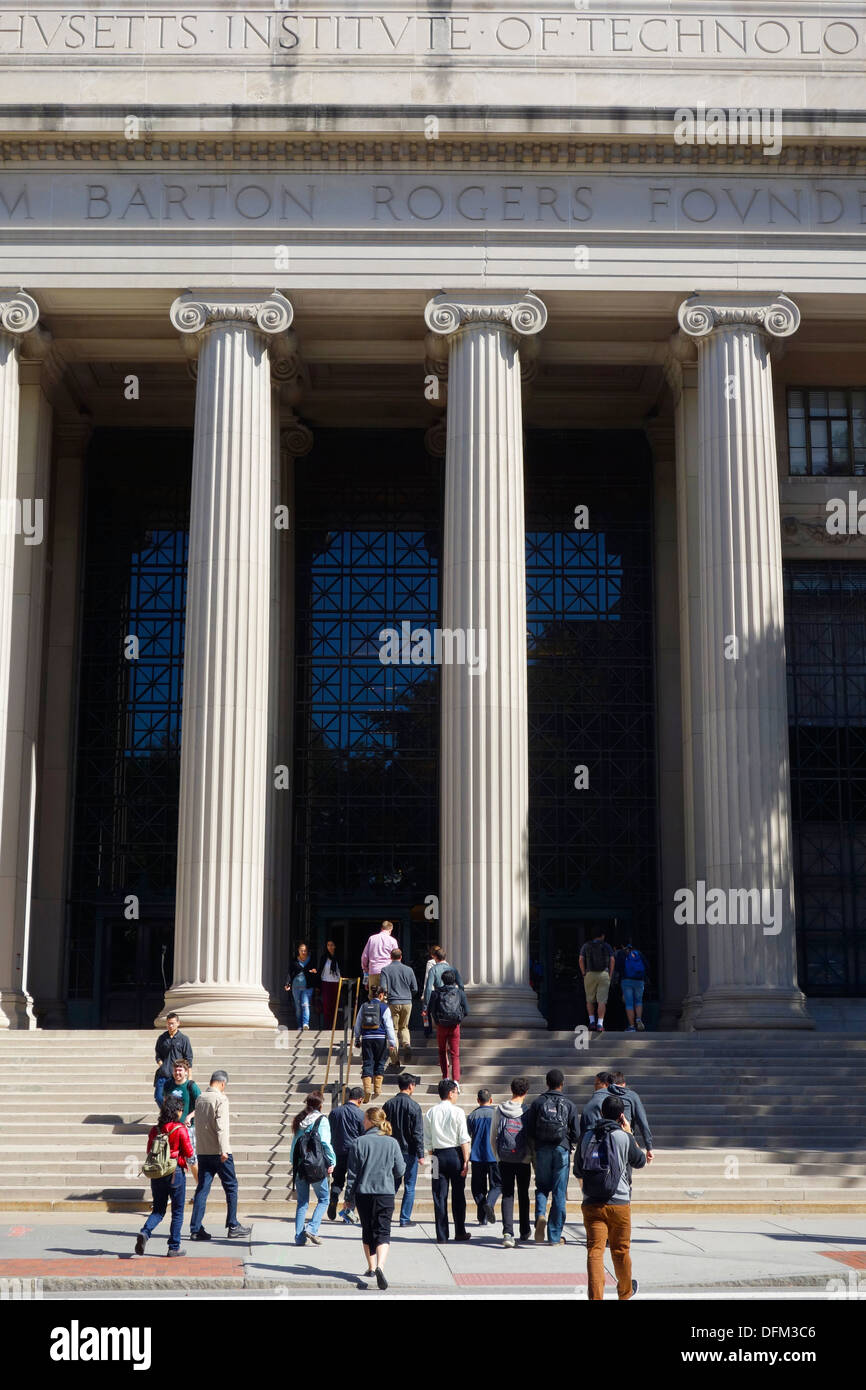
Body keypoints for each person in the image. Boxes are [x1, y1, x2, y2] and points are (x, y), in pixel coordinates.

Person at [576, 1094, 646, 1300]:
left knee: (594, 1251)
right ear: (621, 1116)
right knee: (620, 1250)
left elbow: (578, 1170)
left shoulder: (587, 1136)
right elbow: (640, 1161)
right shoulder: (623, 1136)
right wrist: (630, 1133)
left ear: (601, 1113)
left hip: (592, 1203)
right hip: (619, 1203)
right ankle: (625, 1293)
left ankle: (596, 1297)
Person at [345, 1106, 406, 1290]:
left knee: (367, 1229)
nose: (362, 1122)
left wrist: (349, 1197)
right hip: (385, 1192)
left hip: (364, 1193)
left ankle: (371, 1267)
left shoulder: (358, 1142)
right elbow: (400, 1170)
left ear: (371, 1121)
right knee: (383, 1230)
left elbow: (352, 1175)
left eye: (364, 1119)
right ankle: (380, 1266)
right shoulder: (392, 1142)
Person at [189, 1069, 251, 1241]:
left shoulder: (200, 1098)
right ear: (222, 1083)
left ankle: (195, 1228)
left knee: (202, 1188)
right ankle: (233, 1224)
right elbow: (221, 1126)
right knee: (231, 1186)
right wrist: (224, 1149)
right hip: (219, 1151)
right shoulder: (221, 1099)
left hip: (203, 1151)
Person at [525, 1067, 579, 1246]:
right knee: (559, 1192)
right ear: (562, 1084)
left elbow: (530, 1129)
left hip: (542, 1150)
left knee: (541, 1186)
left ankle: (540, 1215)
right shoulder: (569, 1104)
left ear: (547, 1083)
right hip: (561, 1149)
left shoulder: (538, 1103)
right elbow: (577, 1133)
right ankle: (554, 1236)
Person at [136, 1094, 193, 1257]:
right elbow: (189, 1152)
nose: (182, 1113)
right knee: (177, 1211)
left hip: (157, 1173)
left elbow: (149, 1151)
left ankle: (145, 1232)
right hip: (175, 1173)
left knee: (158, 1210)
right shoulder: (180, 1128)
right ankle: (173, 1247)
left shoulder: (155, 1129)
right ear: (177, 1111)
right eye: (181, 1110)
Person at [423, 1078, 471, 1244]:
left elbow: (427, 1141)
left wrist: (431, 1158)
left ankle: (442, 1235)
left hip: (436, 1155)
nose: (457, 1096)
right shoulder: (457, 1112)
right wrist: (466, 1161)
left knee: (439, 1196)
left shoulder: (430, 1112)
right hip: (455, 1154)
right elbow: (464, 1138)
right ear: (450, 1093)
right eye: (456, 1093)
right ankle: (460, 1231)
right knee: (458, 1195)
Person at [290, 1092, 336, 1246]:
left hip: (300, 1165)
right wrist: (332, 1161)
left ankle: (299, 1237)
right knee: (324, 1199)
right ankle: (312, 1228)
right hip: (316, 1166)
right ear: (320, 1106)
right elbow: (325, 1143)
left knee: (302, 1202)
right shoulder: (322, 1120)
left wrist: (294, 1162)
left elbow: (294, 1145)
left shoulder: (299, 1120)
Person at [493, 1077, 532, 1248]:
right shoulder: (528, 1111)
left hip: (505, 1158)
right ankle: (524, 1230)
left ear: (511, 1090)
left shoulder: (499, 1109)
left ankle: (508, 1233)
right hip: (523, 1159)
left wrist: (498, 1156)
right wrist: (529, 1157)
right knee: (524, 1194)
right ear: (526, 1092)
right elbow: (531, 1138)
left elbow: (492, 1136)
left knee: (507, 1194)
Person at [382, 1072, 425, 1228]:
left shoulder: (388, 1104)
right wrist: (421, 1154)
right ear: (411, 1086)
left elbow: (383, 1127)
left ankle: (385, 1214)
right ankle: (404, 1218)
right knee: (409, 1185)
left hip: (392, 1150)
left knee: (391, 1184)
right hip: (409, 1151)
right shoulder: (414, 1106)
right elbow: (417, 1132)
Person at [581, 1071, 655, 1160]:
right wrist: (649, 1147)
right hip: (625, 1139)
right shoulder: (632, 1096)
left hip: (604, 1139)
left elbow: (586, 1113)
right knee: (626, 1169)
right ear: (624, 1084)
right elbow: (642, 1122)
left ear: (608, 1083)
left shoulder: (599, 1094)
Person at [327, 1086, 366, 1223]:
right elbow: (364, 1135)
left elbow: (329, 1131)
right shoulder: (361, 1115)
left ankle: (333, 1198)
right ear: (360, 1099)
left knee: (337, 1180)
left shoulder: (335, 1112)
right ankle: (348, 1211)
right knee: (352, 1182)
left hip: (337, 1151)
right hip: (354, 1152)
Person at [352, 984, 397, 1102]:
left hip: (367, 1038)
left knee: (367, 1062)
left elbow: (357, 1024)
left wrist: (357, 1038)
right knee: (380, 1062)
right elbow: (389, 1026)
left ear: (370, 995)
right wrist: (392, 1042)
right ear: (381, 995)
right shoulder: (384, 1007)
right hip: (380, 1038)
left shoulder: (364, 1006)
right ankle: (377, 1089)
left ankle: (367, 1088)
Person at [428, 969, 468, 1088]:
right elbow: (467, 1010)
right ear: (454, 980)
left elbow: (432, 1010)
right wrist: (458, 1019)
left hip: (441, 1026)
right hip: (455, 1026)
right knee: (455, 1054)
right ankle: (456, 1081)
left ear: (443, 980)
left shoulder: (436, 993)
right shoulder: (459, 993)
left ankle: (445, 1077)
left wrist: (437, 1021)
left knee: (442, 1051)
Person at [379, 947, 418, 1068]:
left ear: (390, 957)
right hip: (407, 1002)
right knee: (404, 1027)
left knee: (393, 1030)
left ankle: (395, 1060)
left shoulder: (385, 970)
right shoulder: (409, 970)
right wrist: (409, 996)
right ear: (401, 957)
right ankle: (406, 1044)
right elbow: (415, 988)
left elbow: (383, 988)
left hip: (393, 1002)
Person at [467, 1088, 501, 1226]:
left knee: (477, 1188)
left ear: (478, 1100)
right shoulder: (497, 1114)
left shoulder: (472, 1116)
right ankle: (489, 1203)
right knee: (498, 1185)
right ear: (491, 1100)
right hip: (494, 1156)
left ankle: (482, 1216)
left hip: (477, 1156)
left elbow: (468, 1134)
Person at [164, 1057, 201, 1178]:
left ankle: (199, 1191)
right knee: (170, 1158)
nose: (177, 1073)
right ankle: (170, 1191)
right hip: (171, 1128)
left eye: (180, 1070)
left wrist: (190, 1116)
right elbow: (165, 1104)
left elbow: (201, 1105)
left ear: (186, 1072)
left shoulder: (191, 1086)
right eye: (175, 1070)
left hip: (187, 1128)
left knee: (192, 1159)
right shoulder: (168, 1084)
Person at [579, 930, 615, 1034]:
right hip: (604, 974)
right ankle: (600, 1024)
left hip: (590, 974)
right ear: (602, 936)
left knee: (589, 999)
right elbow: (612, 960)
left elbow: (581, 959)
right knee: (602, 1000)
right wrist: (610, 974)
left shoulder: (586, 946)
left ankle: (592, 1022)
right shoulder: (607, 946)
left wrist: (583, 973)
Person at [153, 1012, 193, 1105]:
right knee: (159, 1097)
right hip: (163, 1074)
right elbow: (158, 1054)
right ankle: (166, 1114)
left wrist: (189, 1076)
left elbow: (188, 1058)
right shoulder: (162, 1038)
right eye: (168, 1023)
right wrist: (161, 1064)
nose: (170, 1026)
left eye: (172, 1023)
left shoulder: (183, 1039)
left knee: (175, 1099)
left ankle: (171, 1117)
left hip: (177, 1075)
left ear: (178, 1023)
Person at [284, 942, 317, 1032]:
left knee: (305, 1005)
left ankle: (305, 1024)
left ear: (307, 951)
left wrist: (314, 972)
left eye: (305, 950)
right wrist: (287, 983)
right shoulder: (294, 961)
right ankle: (299, 1025)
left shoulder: (311, 960)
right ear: (298, 951)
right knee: (298, 1007)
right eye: (301, 950)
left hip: (307, 987)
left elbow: (316, 971)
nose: (303, 952)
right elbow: (290, 973)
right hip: (296, 987)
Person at [617, 941, 648, 1032]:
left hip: (626, 980)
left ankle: (631, 1026)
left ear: (623, 945)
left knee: (629, 1003)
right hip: (639, 981)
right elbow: (647, 966)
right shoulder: (639, 954)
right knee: (638, 1001)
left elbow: (618, 967)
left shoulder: (622, 953)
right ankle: (638, 1019)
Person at [361, 920, 396, 998]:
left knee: (373, 997)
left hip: (373, 971)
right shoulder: (393, 941)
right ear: (390, 930)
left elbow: (364, 956)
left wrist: (365, 970)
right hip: (387, 973)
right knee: (385, 997)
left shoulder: (372, 938)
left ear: (381, 928)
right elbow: (395, 958)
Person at [422, 945, 464, 1010]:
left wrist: (425, 1006)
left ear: (435, 957)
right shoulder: (453, 969)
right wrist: (459, 999)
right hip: (451, 1000)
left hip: (438, 1001)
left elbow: (429, 988)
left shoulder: (433, 969)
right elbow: (461, 985)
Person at [318, 939, 343, 1030]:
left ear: (335, 946)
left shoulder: (338, 957)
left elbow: (341, 970)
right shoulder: (324, 957)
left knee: (334, 1005)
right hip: (326, 982)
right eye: (328, 945)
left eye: (332, 945)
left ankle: (334, 1025)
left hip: (336, 982)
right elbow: (320, 970)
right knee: (326, 1005)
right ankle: (327, 1026)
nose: (330, 947)